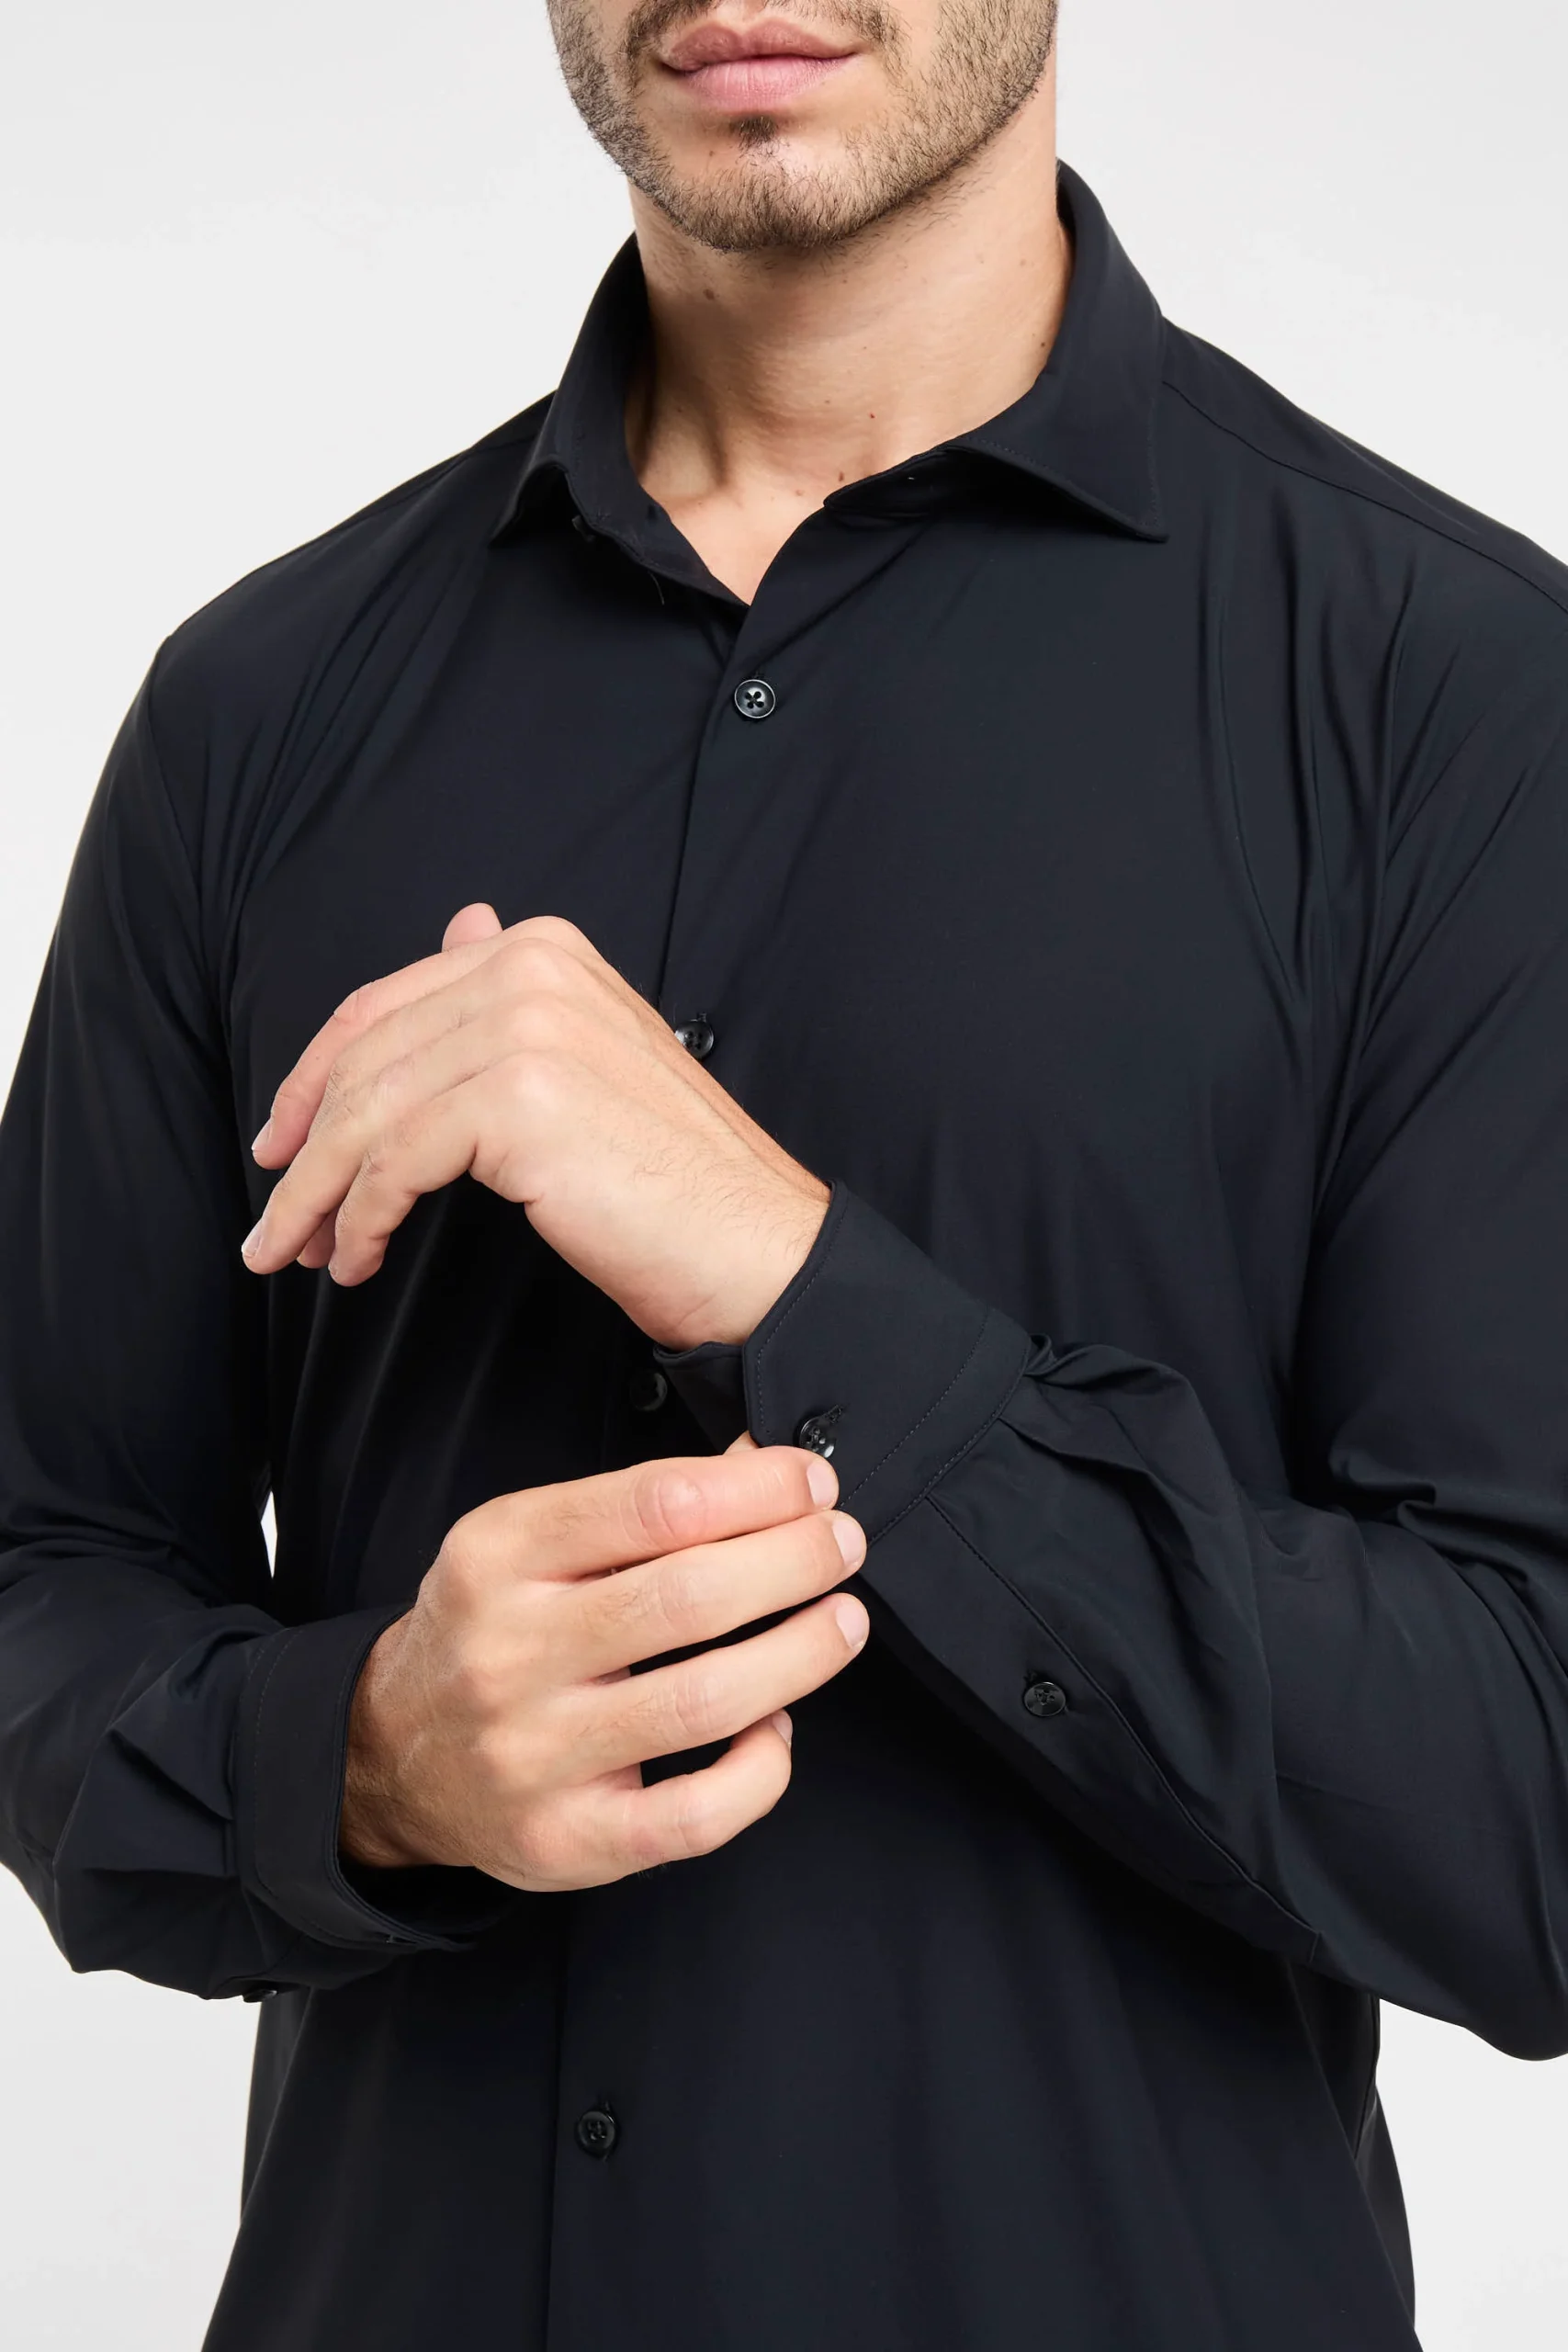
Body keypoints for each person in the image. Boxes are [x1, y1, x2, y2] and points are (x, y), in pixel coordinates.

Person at [3, 1, 1567, 2344]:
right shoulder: (256, 708)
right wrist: (360, 1762)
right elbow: (42, 1566)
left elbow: (1529, 1815)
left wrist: (801, 1284)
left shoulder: (1455, 699)